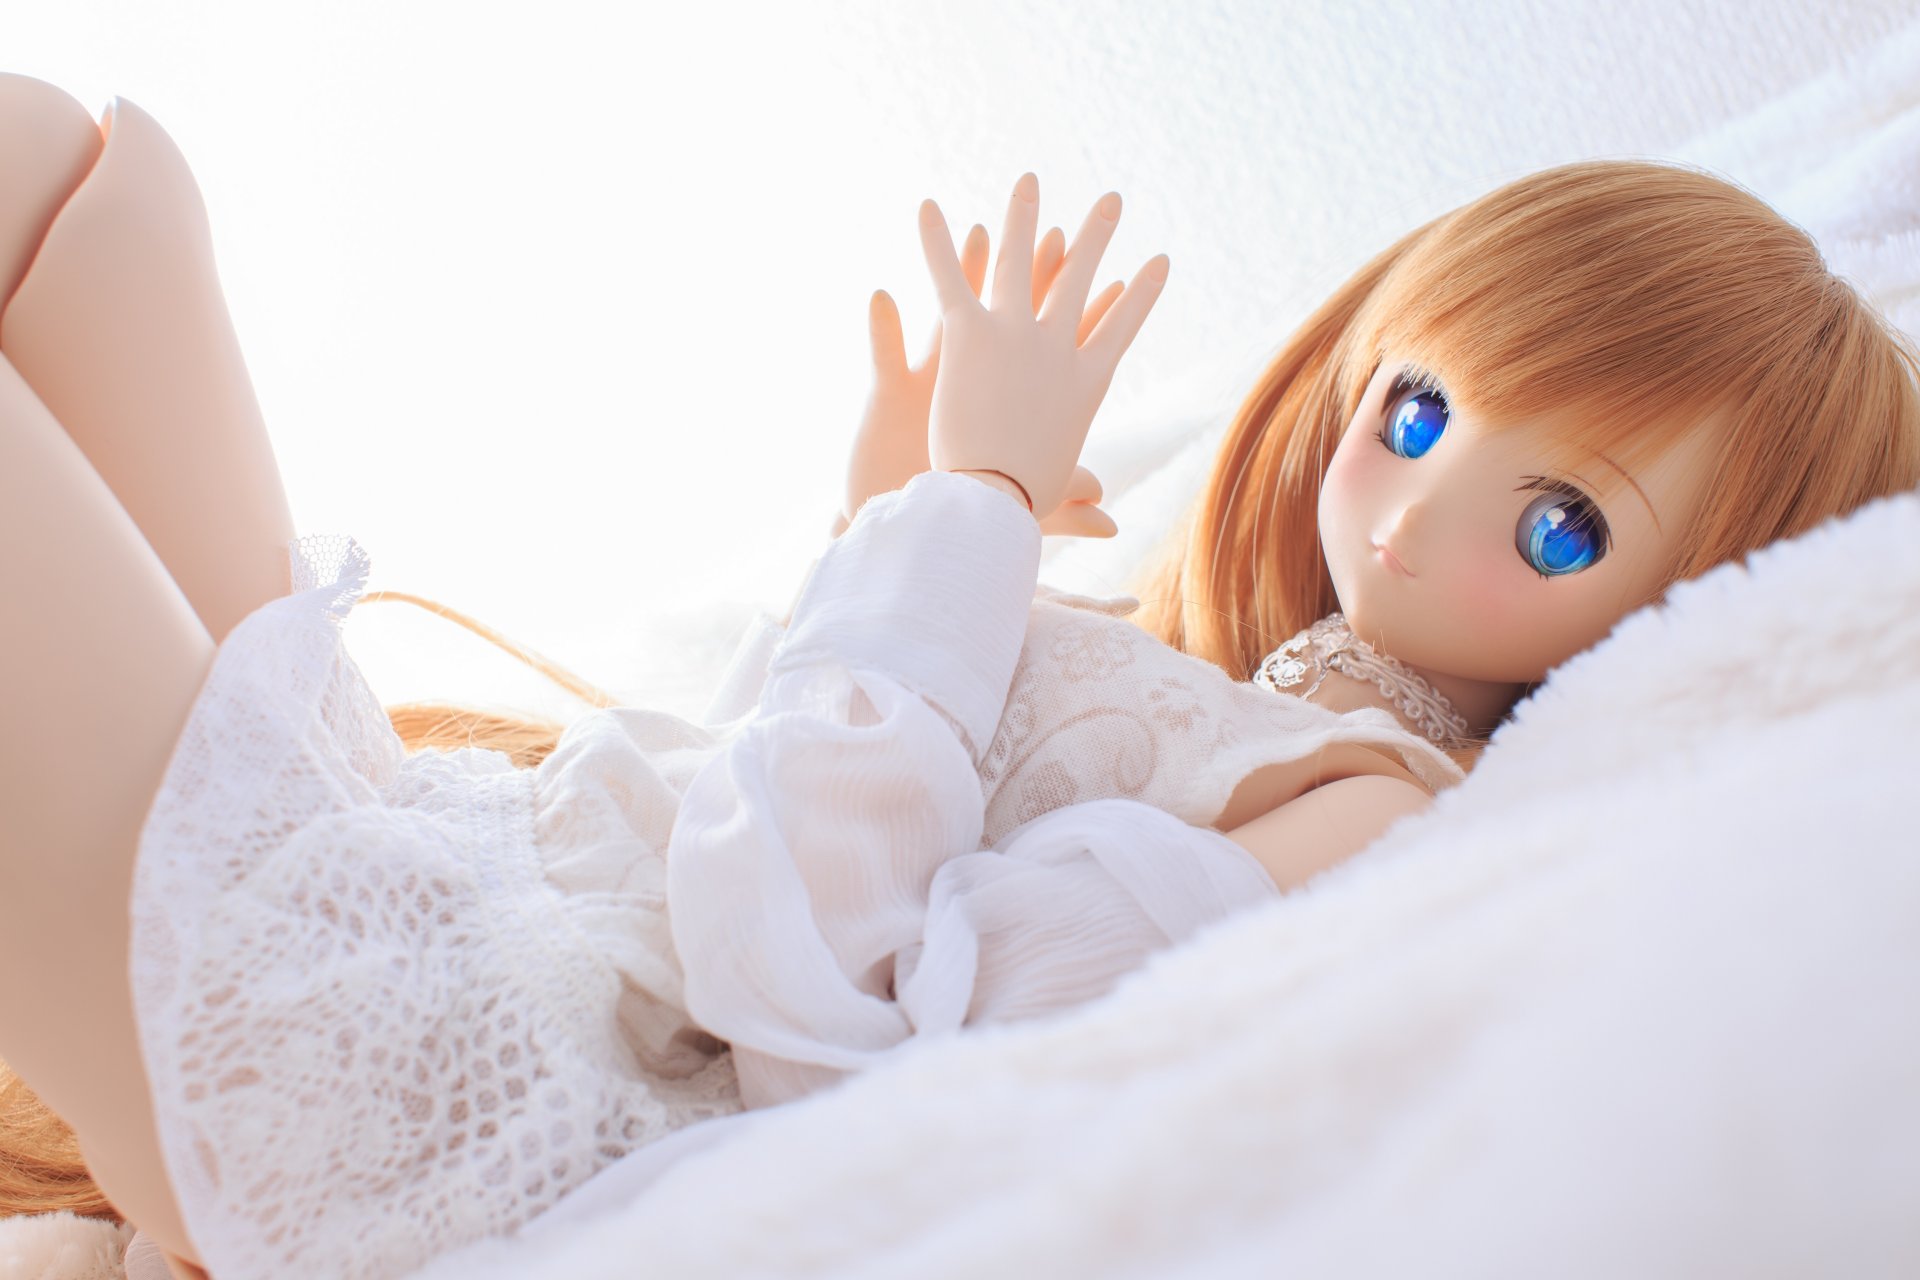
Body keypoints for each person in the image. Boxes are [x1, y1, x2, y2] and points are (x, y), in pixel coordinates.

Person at [3, 73, 1916, 1280]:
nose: (1415, 512)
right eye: (1414, 411)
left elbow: (820, 1016)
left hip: (466, 1117)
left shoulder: (1353, 823)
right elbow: (759, 795)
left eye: (1562, 524)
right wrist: (895, 520)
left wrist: (964, 524)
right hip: (486, 911)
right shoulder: (1224, 701)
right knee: (91, 177)